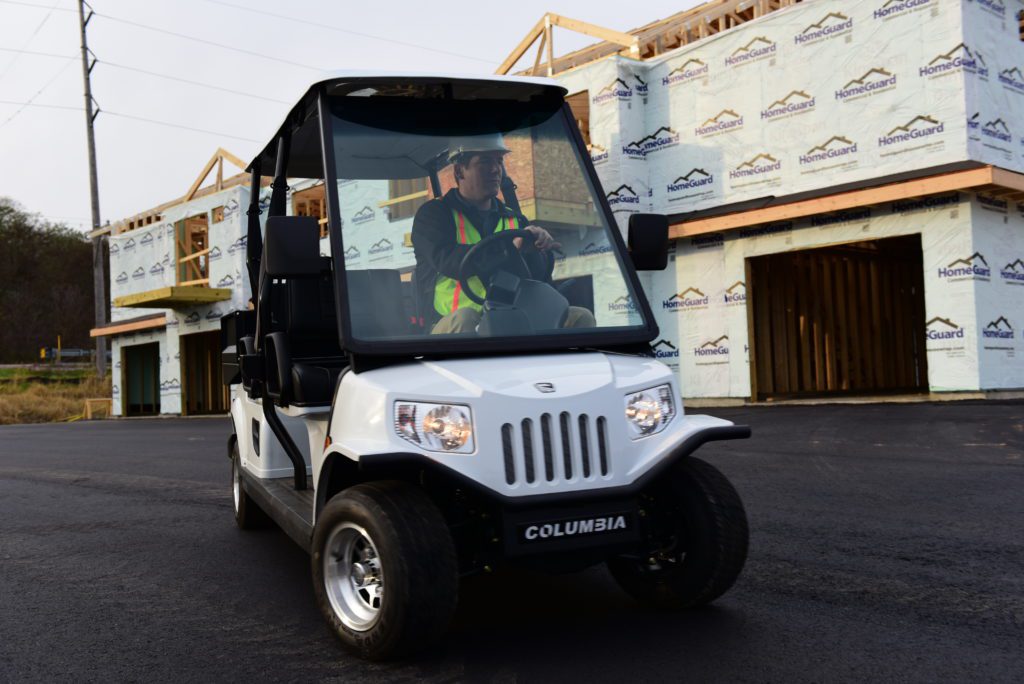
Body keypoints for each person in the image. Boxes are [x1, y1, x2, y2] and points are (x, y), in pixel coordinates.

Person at [411, 135, 596, 334]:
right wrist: (509, 248)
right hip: (449, 326)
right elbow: (449, 261)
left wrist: (536, 250)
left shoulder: (514, 219)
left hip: (510, 318)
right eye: (485, 162)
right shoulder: (434, 215)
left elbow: (536, 278)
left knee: (580, 317)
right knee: (466, 318)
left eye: (499, 161)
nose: (495, 169)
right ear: (459, 171)